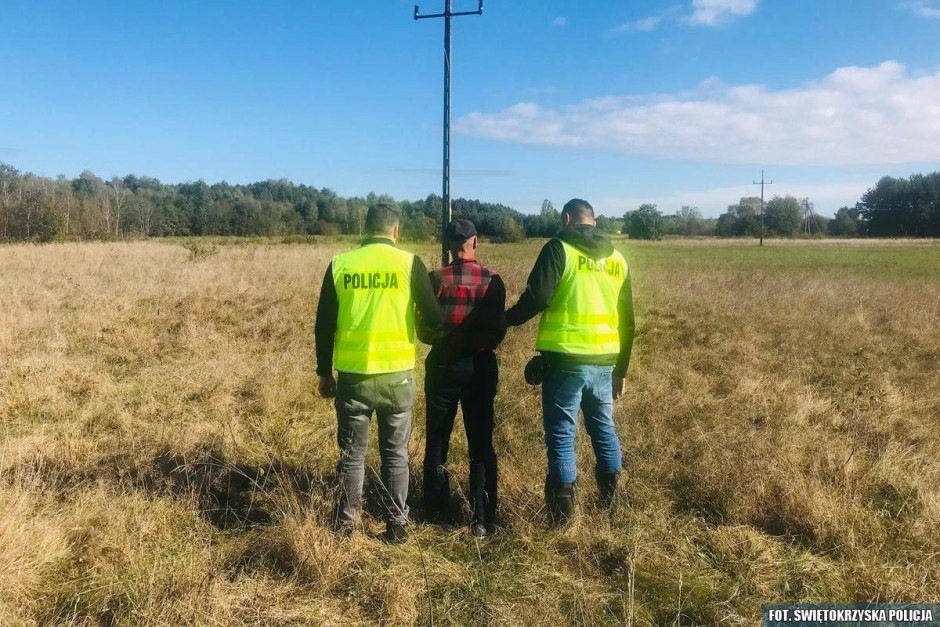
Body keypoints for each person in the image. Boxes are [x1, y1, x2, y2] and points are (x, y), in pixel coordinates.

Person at [315, 204, 444, 543]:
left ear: (365, 228)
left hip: (354, 377)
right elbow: (434, 317)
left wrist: (323, 372)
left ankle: (346, 525)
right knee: (395, 454)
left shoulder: (341, 264)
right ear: (396, 231)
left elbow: (324, 324)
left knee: (352, 455)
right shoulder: (409, 264)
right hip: (398, 377)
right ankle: (397, 525)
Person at [505, 198, 635, 523]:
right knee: (604, 428)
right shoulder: (618, 259)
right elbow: (628, 319)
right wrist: (621, 369)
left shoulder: (558, 248)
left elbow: (538, 297)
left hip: (565, 359)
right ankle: (612, 505)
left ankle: (562, 519)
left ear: (566, 219)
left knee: (563, 434)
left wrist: (506, 320)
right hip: (605, 360)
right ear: (594, 220)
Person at [418, 219, 507, 538]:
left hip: (443, 365)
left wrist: (441, 339)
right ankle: (482, 518)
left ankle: (435, 511)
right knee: (481, 442)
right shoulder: (493, 280)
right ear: (475, 242)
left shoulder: (435, 278)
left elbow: (424, 329)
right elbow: (499, 329)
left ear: (448, 245)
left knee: (438, 438)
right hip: (480, 366)